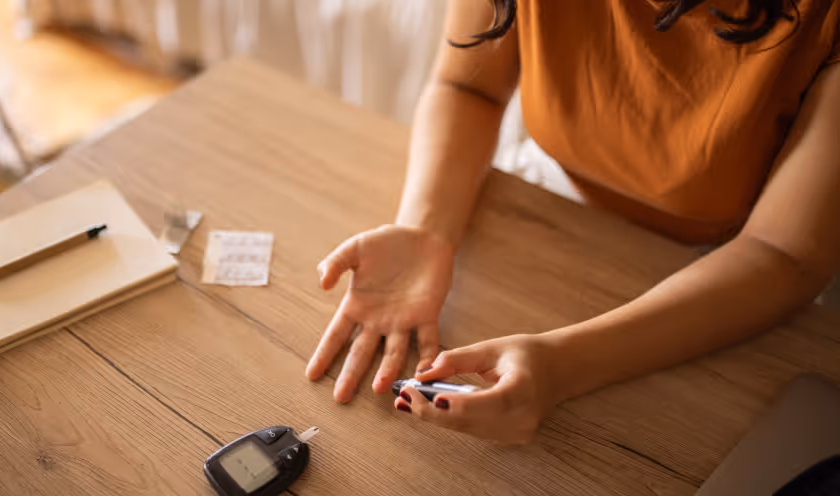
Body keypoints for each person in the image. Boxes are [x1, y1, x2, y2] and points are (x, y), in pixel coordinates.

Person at [303, 0, 840, 443]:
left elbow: (786, 255)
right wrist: (426, 229)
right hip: (552, 199)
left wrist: (561, 367)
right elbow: (469, 87)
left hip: (732, 269)